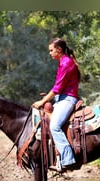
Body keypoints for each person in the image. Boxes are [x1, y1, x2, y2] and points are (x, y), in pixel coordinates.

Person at [32, 37, 81, 171]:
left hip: (68, 99)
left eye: (51, 50)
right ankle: (56, 158)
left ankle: (68, 159)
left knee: (54, 126)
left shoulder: (66, 63)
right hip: (62, 98)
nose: (50, 53)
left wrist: (42, 102)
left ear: (59, 50)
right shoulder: (62, 62)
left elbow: (57, 89)